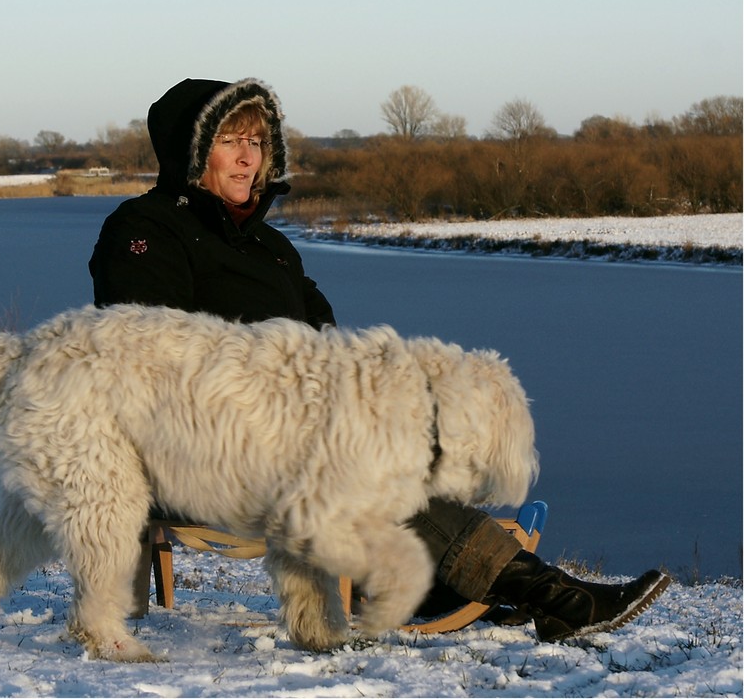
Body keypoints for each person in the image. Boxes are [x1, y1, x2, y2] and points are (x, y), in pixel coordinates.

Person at [88, 77, 670, 643]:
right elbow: (151, 360)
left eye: (257, 142)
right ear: (191, 151)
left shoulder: (271, 247)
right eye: (229, 142)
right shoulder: (143, 232)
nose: (248, 159)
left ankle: (447, 582)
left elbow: (329, 345)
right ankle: (553, 596)